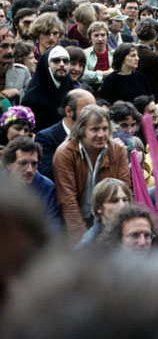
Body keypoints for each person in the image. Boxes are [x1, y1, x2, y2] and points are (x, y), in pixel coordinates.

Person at [52, 105, 130, 245]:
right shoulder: (65, 153)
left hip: (107, 218)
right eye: (95, 129)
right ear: (82, 131)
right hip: (76, 220)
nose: (101, 135)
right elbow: (68, 201)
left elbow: (125, 190)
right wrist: (82, 242)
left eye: (105, 129)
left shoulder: (117, 150)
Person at [2, 136, 62, 227]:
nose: (30, 170)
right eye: (23, 163)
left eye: (34, 164)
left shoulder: (47, 188)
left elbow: (53, 227)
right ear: (8, 165)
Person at [21, 46, 75, 132]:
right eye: (56, 61)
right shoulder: (32, 98)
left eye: (66, 61)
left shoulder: (73, 91)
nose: (62, 64)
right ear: (46, 65)